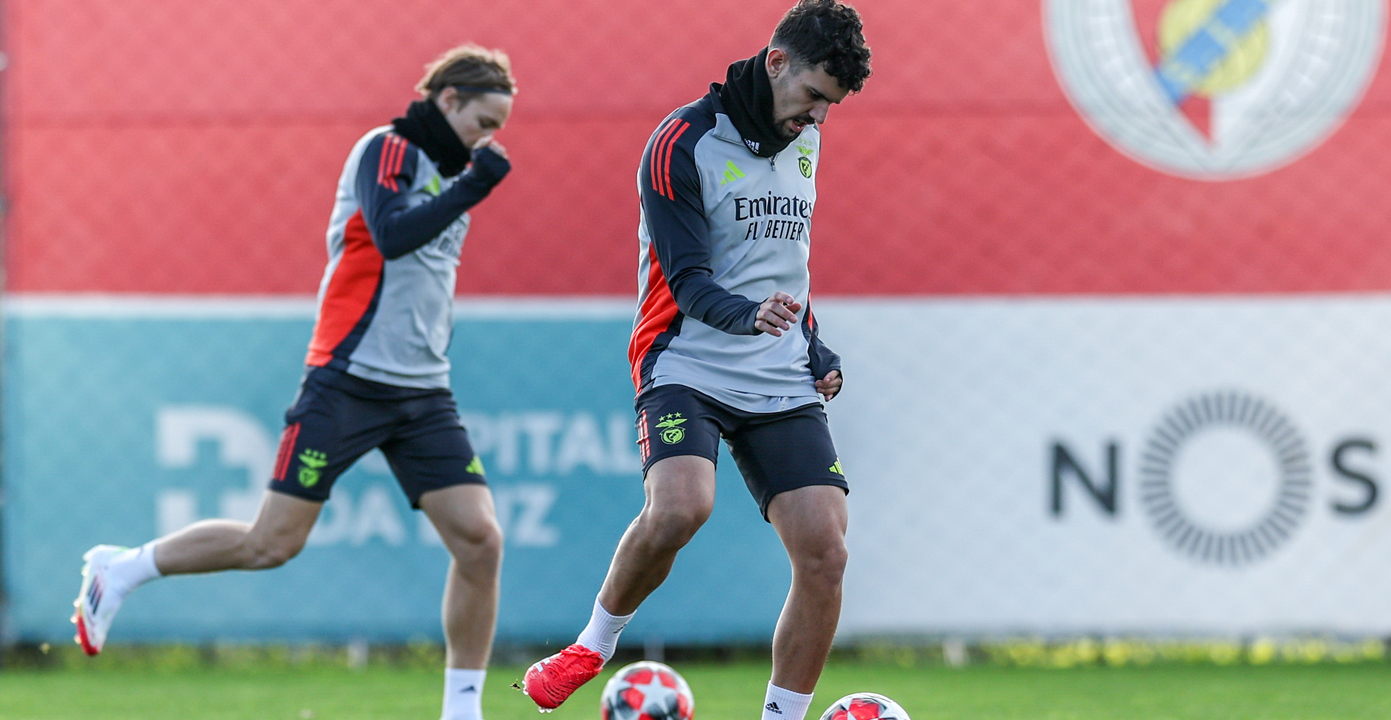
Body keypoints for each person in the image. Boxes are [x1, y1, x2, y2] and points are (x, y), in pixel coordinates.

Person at [71, 44, 516, 720]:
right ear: (447, 100)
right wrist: (472, 185)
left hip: (424, 394)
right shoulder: (388, 150)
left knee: (481, 540)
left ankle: (462, 710)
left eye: (499, 129)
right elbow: (392, 236)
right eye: (483, 121)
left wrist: (465, 181)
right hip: (347, 381)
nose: (489, 140)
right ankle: (122, 567)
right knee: (270, 544)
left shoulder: (454, 174)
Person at [521, 3, 871, 719]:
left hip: (777, 372)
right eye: (813, 98)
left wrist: (815, 345)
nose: (818, 120)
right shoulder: (681, 142)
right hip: (686, 363)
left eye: (831, 108)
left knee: (826, 552)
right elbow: (686, 279)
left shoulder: (804, 139)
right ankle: (592, 644)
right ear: (777, 63)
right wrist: (748, 318)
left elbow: (782, 269)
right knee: (682, 508)